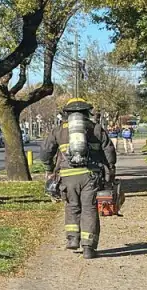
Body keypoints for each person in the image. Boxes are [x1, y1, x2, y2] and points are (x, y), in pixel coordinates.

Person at [40, 98, 117, 259]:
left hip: (67, 177)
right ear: (86, 112)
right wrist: (110, 172)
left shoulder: (59, 130)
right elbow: (109, 153)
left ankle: (73, 239)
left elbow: (46, 152)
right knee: (89, 209)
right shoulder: (96, 129)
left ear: (66, 113)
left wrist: (49, 169)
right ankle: (89, 247)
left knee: (72, 206)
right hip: (91, 176)